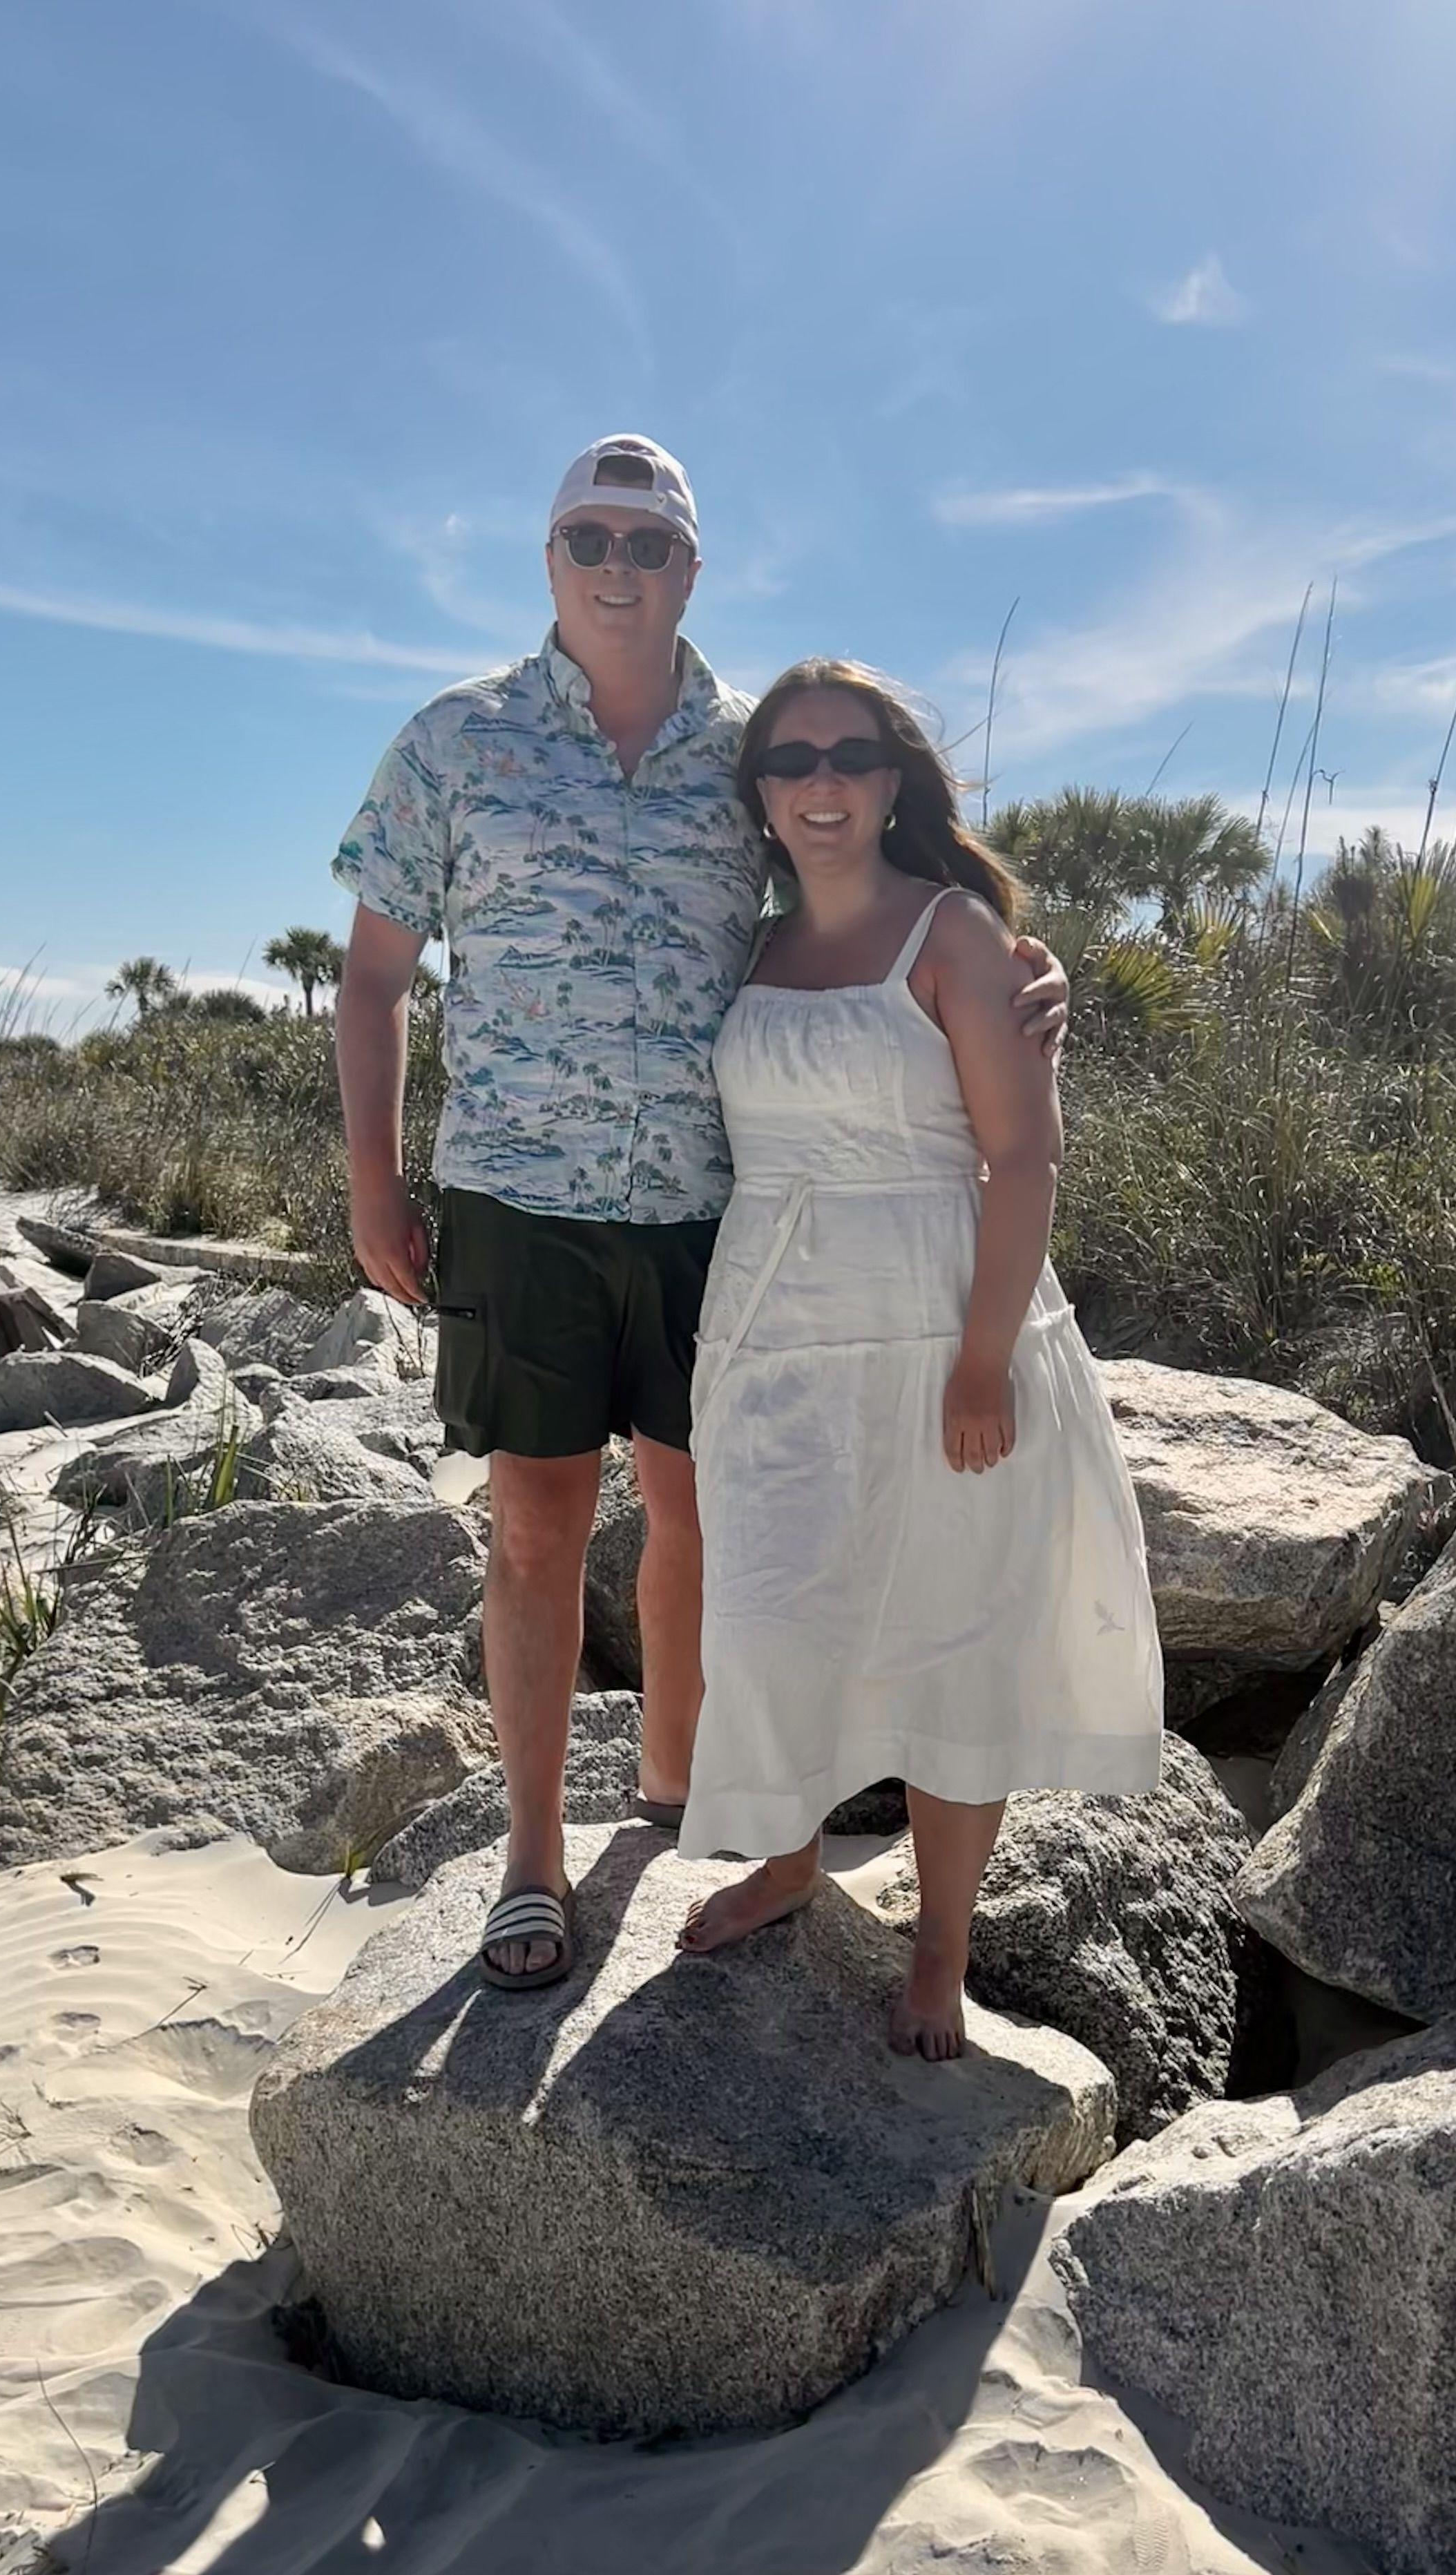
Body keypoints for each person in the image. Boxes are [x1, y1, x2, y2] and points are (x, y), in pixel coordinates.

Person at [330, 437, 1072, 1990]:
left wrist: (1018, 964)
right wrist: (374, 1182)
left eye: (649, 543)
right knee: (536, 1531)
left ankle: (676, 1801)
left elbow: (863, 893)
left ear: (690, 567)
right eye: (590, 539)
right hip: (517, 1199)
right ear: (550, 559)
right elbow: (379, 977)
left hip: (719, 1215)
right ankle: (534, 1862)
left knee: (703, 1517)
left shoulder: (754, 754)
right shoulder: (452, 742)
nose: (619, 568)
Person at [674, 658, 1165, 2057]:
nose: (820, 783)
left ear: (893, 782)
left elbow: (1025, 1159)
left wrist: (983, 1362)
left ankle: (941, 1941)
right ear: (761, 797)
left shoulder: (953, 932)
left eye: (849, 756)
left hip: (941, 1320)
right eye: (790, 761)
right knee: (771, 1618)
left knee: (955, 1638)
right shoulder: (747, 948)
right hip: (773, 1333)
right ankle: (788, 1861)